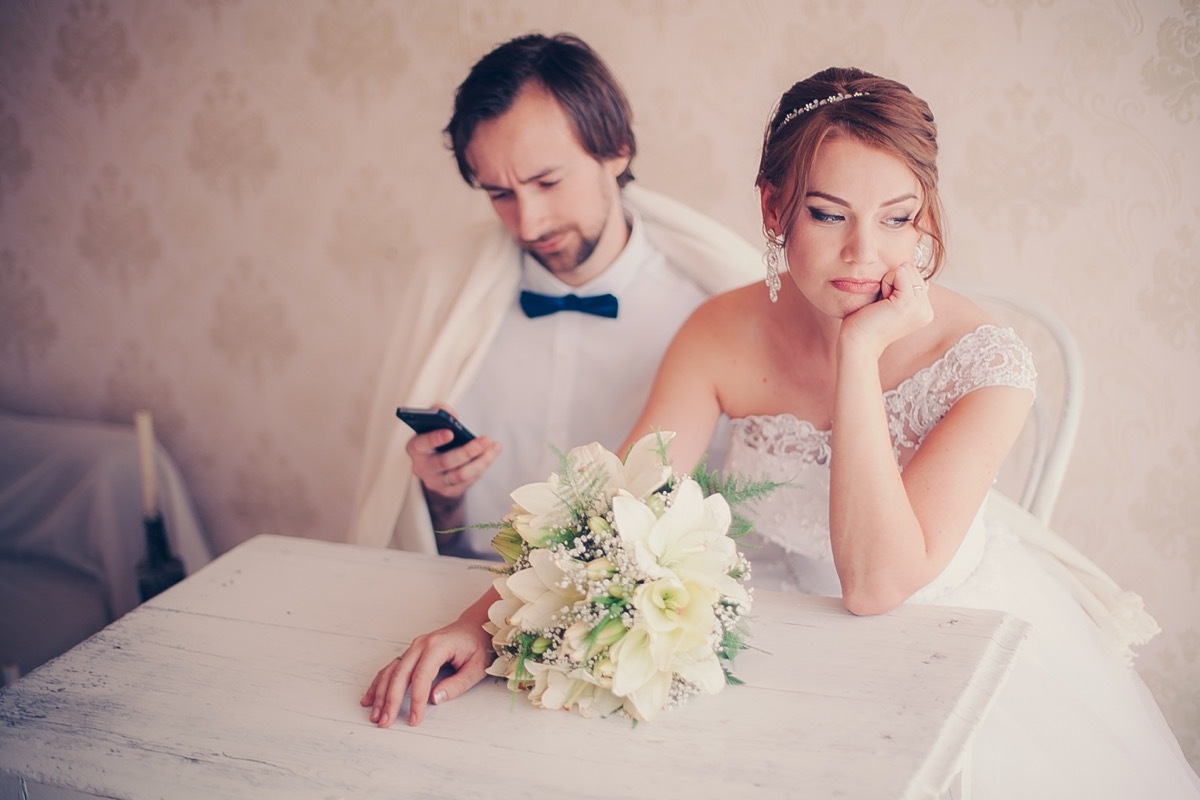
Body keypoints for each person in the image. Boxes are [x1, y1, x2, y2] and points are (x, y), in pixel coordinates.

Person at [360, 67, 1200, 797]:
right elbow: (620, 502)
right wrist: (479, 622)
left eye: (899, 218)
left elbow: (876, 586)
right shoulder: (721, 333)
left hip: (946, 645)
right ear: (774, 207)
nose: (865, 255)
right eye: (829, 215)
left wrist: (859, 352)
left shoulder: (990, 365)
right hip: (782, 636)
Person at [348, 33, 760, 557]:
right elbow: (417, 531)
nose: (528, 221)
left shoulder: (712, 309)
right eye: (499, 194)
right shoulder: (446, 299)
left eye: (547, 182)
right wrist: (440, 494)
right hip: (463, 596)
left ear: (615, 150)